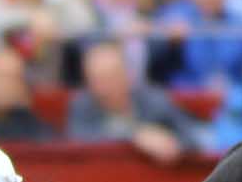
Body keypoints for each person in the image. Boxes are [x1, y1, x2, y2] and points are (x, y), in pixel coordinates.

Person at [67, 37, 205, 159]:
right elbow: (79, 140)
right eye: (96, 80)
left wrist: (171, 143)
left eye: (110, 77)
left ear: (128, 75)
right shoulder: (82, 105)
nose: (103, 87)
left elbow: (194, 138)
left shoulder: (155, 101)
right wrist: (135, 136)